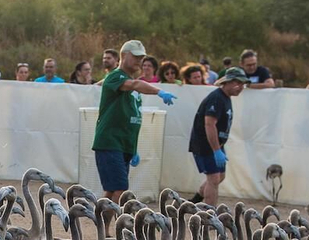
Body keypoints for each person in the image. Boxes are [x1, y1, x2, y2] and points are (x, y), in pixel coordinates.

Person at [92, 39, 177, 201]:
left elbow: (129, 116)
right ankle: (117, 225)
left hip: (124, 144)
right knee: (120, 190)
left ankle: (103, 225)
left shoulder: (130, 85)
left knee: (112, 191)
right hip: (110, 142)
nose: (139, 61)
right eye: (136, 56)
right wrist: (159, 92)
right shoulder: (115, 76)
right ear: (123, 55)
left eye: (141, 57)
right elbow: (135, 84)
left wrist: (132, 146)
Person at [190, 67, 246, 202]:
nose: (241, 87)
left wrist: (218, 148)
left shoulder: (226, 98)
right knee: (213, 179)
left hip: (216, 144)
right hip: (206, 144)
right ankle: (210, 214)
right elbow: (209, 124)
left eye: (243, 84)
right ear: (227, 82)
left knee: (220, 176)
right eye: (238, 83)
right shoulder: (216, 98)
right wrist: (216, 150)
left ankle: (195, 201)